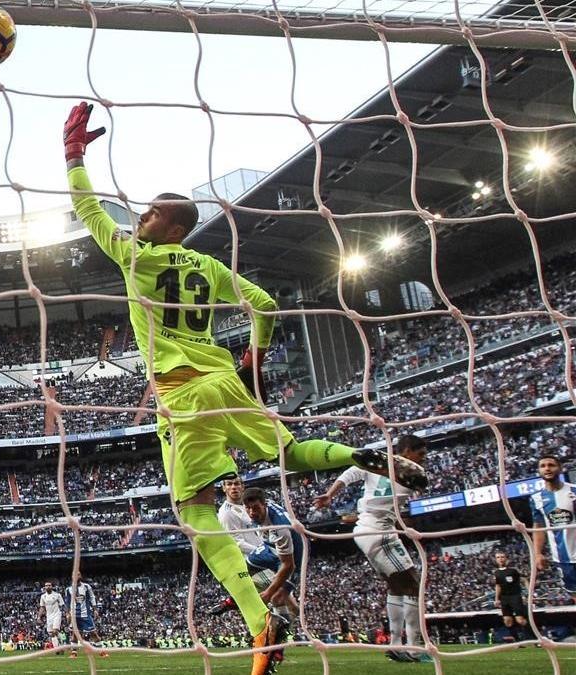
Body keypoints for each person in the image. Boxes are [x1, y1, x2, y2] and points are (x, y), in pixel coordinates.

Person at [62, 101, 427, 675]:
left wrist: (74, 154)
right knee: (284, 451)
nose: (143, 216)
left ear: (173, 227)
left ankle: (258, 615)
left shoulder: (134, 257)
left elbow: (85, 206)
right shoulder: (207, 267)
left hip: (180, 395)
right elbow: (264, 303)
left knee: (194, 512)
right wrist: (255, 352)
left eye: (153, 212)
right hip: (225, 381)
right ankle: (360, 454)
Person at [313, 434, 430, 663]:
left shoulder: (378, 461)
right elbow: (410, 489)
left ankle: (396, 645)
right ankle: (414, 648)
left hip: (367, 527)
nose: (423, 459)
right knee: (414, 585)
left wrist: (330, 494)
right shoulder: (411, 473)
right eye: (421, 454)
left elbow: (352, 472)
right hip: (378, 530)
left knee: (397, 588)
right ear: (406, 451)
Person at [215, 478, 299, 623]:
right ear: (224, 488)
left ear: (242, 486)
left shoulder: (249, 505)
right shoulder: (226, 513)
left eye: (237, 484)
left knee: (286, 603)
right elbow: (236, 541)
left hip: (271, 553)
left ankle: (279, 631)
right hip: (258, 559)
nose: (234, 487)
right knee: (280, 599)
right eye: (229, 484)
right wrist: (262, 549)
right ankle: (279, 635)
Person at [529, 454, 575, 604]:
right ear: (539, 471)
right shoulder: (536, 498)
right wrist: (537, 553)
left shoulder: (574, 491)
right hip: (563, 559)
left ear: (560, 469)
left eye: (551, 465)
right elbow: (539, 527)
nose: (547, 468)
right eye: (543, 466)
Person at [64, 573, 107, 658]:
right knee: (75, 634)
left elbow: (92, 597)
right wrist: (67, 613)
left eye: (78, 574)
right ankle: (74, 653)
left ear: (81, 576)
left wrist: (95, 609)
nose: (77, 576)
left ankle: (101, 651)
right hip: (74, 614)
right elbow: (67, 602)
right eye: (75, 575)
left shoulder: (87, 587)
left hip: (85, 614)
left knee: (93, 633)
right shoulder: (68, 589)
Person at [491, 550, 529, 642]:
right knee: (507, 621)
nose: (500, 559)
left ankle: (533, 638)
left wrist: (529, 593)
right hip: (504, 598)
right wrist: (496, 599)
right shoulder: (496, 573)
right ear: (496, 560)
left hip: (515, 597)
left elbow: (524, 580)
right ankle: (518, 642)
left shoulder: (513, 571)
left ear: (506, 558)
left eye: (502, 557)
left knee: (520, 620)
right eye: (498, 557)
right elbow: (498, 586)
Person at [37, 582, 64, 654]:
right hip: (49, 616)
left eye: (49, 585)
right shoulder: (43, 596)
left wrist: (67, 614)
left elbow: (62, 605)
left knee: (55, 631)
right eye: (46, 586)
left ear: (52, 586)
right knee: (52, 634)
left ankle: (57, 649)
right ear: (44, 587)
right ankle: (60, 646)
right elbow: (42, 607)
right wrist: (39, 617)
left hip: (57, 614)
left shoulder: (57, 595)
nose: (48, 587)